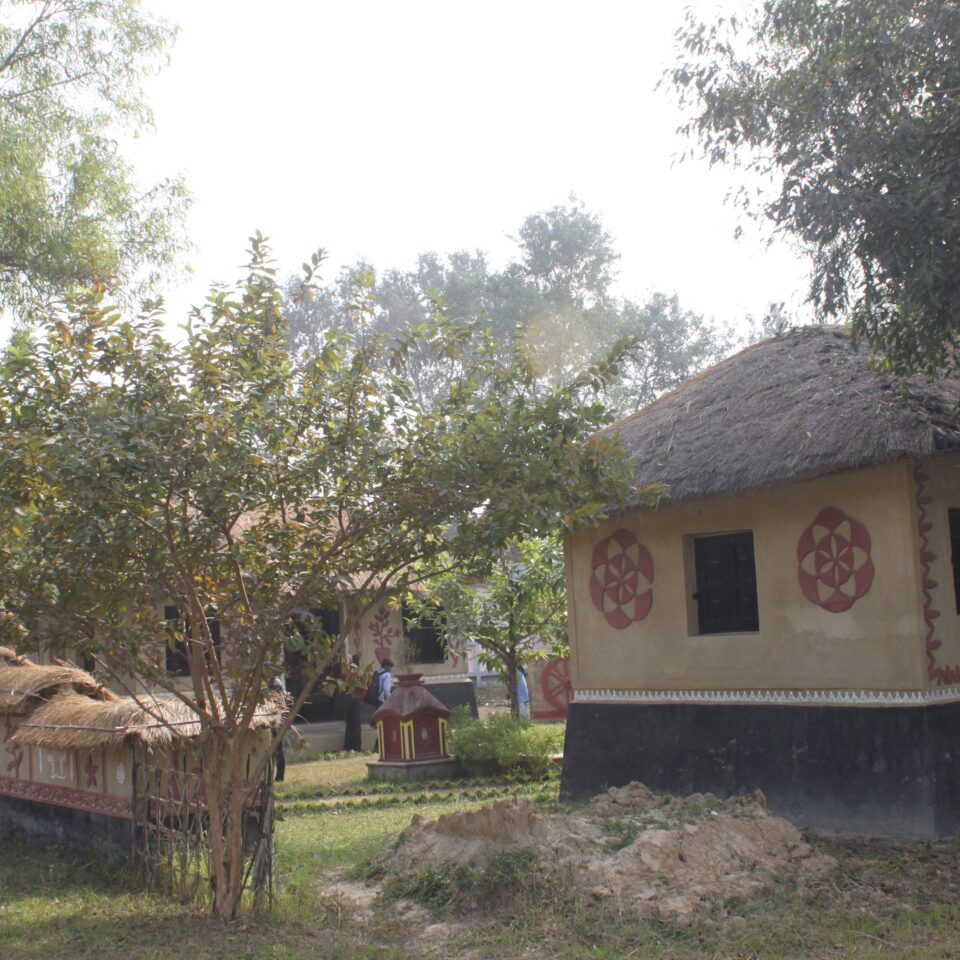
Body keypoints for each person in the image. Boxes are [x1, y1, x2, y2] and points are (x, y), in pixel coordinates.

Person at [343, 655, 364, 752]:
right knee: (354, 725)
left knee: (351, 725)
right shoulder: (358, 674)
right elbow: (364, 688)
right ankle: (353, 746)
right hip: (354, 702)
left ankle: (350, 746)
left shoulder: (350, 674)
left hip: (351, 701)